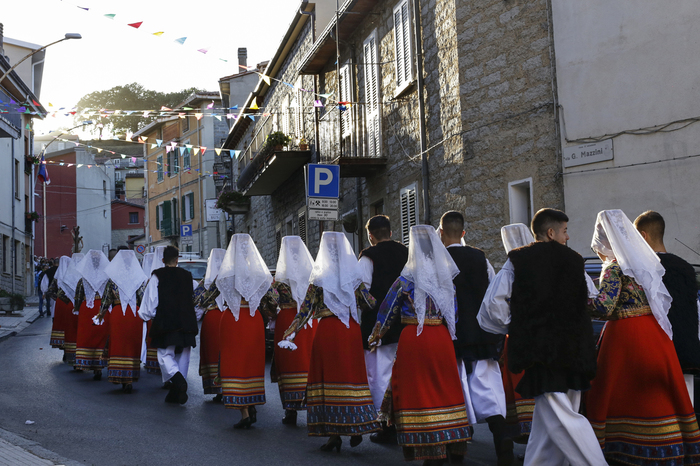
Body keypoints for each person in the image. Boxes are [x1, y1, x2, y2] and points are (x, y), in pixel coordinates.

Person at [478, 208, 606, 466]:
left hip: (540, 350)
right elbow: (591, 298)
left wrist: (516, 326)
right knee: (555, 416)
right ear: (551, 232)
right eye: (565, 231)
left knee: (561, 416)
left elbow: (493, 305)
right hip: (575, 348)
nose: (567, 237)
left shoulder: (518, 260)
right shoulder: (575, 261)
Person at [586, 210, 700, 465]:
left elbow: (604, 307)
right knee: (661, 397)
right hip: (657, 334)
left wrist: (578, 299)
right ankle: (668, 448)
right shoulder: (646, 263)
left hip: (626, 336)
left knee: (617, 393)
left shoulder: (615, 266)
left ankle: (622, 450)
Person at [367, 225, 471, 464]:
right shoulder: (446, 278)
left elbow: (387, 309)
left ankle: (428, 446)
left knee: (419, 391)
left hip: (414, 339)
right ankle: (452, 441)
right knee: (444, 389)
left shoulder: (406, 278)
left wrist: (376, 336)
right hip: (441, 338)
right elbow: (453, 314)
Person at [281, 231, 380, 451]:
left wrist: (292, 330)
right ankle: (354, 427)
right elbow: (370, 302)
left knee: (329, 381)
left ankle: (334, 435)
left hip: (326, 332)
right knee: (351, 379)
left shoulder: (318, 280)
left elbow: (305, 309)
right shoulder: (354, 279)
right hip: (349, 332)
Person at [438, 211, 512, 465]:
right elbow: (493, 297)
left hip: (452, 336)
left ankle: (456, 452)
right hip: (481, 336)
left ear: (440, 233)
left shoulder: (437, 260)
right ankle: (502, 440)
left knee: (456, 392)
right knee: (488, 390)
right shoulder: (481, 258)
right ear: (464, 233)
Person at [635, 210, 700, 404]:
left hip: (658, 349)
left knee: (661, 408)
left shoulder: (644, 268)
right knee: (686, 405)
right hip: (687, 348)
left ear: (643, 236)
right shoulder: (686, 267)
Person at [357, 215, 408, 444]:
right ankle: (404, 420)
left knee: (378, 375)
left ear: (370, 235)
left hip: (376, 325)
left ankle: (384, 425)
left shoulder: (368, 257)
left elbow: (362, 290)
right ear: (390, 231)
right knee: (400, 373)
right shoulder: (406, 252)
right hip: (404, 323)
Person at [216, 234, 274, 428]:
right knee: (251, 362)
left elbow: (206, 296)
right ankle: (251, 402)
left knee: (235, 363)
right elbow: (273, 300)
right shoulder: (258, 274)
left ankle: (245, 412)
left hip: (233, 320)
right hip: (252, 319)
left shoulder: (226, 274)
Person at [259, 236, 316, 425]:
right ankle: (312, 405)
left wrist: (269, 315)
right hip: (308, 322)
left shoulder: (279, 282)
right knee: (309, 360)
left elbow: (269, 303)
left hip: (286, 320)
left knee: (288, 363)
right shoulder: (312, 277)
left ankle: (291, 410)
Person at [139, 245, 198, 405]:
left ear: (163, 260)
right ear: (177, 259)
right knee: (183, 355)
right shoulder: (189, 277)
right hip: (186, 322)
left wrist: (147, 315)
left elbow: (150, 305)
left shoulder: (157, 277)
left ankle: (179, 382)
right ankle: (176, 390)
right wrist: (195, 317)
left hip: (167, 322)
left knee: (165, 355)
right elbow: (197, 301)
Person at [497, 224, 536, 443]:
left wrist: (509, 325)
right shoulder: (542, 264)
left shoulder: (510, 268)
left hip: (518, 334)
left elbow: (495, 306)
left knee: (521, 382)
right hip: (540, 333)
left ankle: (529, 438)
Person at [97, 249, 148, 393]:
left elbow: (106, 300)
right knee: (132, 344)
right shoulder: (139, 278)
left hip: (118, 315)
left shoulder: (112, 279)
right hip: (134, 315)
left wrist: (100, 315)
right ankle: (130, 377)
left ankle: (118, 375)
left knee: (119, 344)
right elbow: (143, 298)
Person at [193, 248, 227, 401]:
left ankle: (217, 388)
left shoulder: (205, 282)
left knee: (213, 351)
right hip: (230, 317)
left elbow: (197, 300)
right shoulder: (232, 278)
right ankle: (231, 386)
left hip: (212, 318)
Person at [73, 250, 111, 380]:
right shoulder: (107, 276)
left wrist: (77, 308)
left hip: (87, 309)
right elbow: (109, 295)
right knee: (101, 335)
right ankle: (99, 366)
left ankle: (87, 361)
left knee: (87, 335)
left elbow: (78, 296)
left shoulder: (83, 278)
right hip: (101, 308)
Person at [58, 253, 84, 365]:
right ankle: (81, 356)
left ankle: (71, 356)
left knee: (72, 331)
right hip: (84, 307)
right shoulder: (85, 274)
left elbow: (60, 294)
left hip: (71, 307)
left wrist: (70, 301)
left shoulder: (68, 275)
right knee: (81, 332)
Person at [46, 257, 72, 354]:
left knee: (61, 324)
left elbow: (50, 291)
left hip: (60, 304)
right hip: (71, 304)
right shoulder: (73, 275)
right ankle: (70, 349)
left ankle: (64, 349)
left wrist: (57, 298)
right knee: (70, 326)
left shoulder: (57, 277)